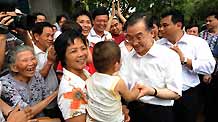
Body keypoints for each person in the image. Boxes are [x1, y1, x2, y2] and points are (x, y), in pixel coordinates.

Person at [119, 13, 183, 122]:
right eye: (129, 38)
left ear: (152, 33)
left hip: (159, 112)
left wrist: (152, 91)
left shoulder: (169, 56)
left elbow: (176, 93)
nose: (134, 43)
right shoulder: (128, 57)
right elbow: (123, 84)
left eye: (139, 37)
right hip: (133, 110)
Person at [158, 9, 216, 122]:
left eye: (165, 25)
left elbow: (210, 66)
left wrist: (184, 60)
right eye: (160, 25)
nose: (161, 29)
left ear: (178, 25)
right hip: (163, 95)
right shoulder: (157, 45)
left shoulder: (197, 43)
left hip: (188, 96)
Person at [86, 41, 145, 122]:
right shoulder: (117, 82)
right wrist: (137, 88)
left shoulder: (90, 78)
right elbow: (129, 97)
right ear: (116, 65)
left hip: (94, 119)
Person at [0, 45, 58, 118]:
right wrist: (55, 93)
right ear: (14, 67)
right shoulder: (5, 84)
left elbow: (47, 99)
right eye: (25, 60)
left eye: (33, 58)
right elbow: (26, 112)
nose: (31, 63)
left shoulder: (36, 75)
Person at [54, 29, 89, 122]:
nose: (81, 54)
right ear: (63, 57)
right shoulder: (69, 90)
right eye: (74, 51)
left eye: (83, 48)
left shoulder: (85, 73)